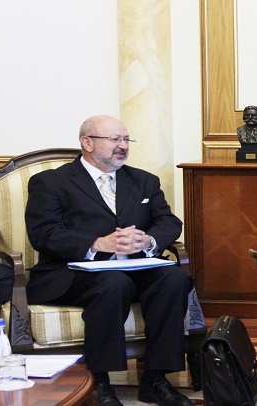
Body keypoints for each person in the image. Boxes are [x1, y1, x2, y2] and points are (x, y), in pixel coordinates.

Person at [25, 115, 194, 406]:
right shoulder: (51, 182)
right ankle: (100, 383)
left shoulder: (144, 180)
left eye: (126, 139)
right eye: (115, 139)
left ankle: (155, 379)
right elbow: (43, 233)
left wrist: (148, 241)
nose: (123, 146)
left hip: (134, 267)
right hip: (72, 273)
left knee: (175, 278)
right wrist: (95, 244)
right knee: (112, 283)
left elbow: (168, 221)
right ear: (87, 142)